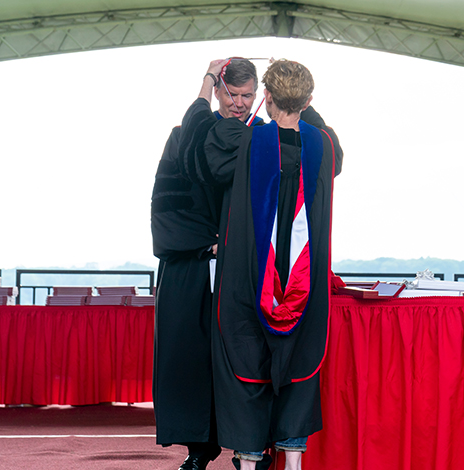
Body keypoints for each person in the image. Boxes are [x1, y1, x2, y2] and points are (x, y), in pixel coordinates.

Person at [175, 58, 341, 470]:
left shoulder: (241, 142)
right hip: (304, 288)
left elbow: (195, 140)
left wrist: (209, 81)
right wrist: (300, 102)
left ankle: (249, 462)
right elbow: (319, 130)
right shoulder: (325, 147)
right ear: (308, 101)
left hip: (246, 284)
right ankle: (294, 463)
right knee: (298, 372)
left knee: (246, 371)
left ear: (264, 97)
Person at [151, 57, 263, 470]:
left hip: (246, 268)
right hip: (194, 265)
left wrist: (237, 242)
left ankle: (246, 446)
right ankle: (200, 449)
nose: (238, 103)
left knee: (244, 359)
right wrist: (208, 242)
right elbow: (164, 205)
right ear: (218, 91)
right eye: (231, 94)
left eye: (247, 95)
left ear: (258, 95)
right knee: (192, 360)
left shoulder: (264, 138)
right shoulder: (184, 136)